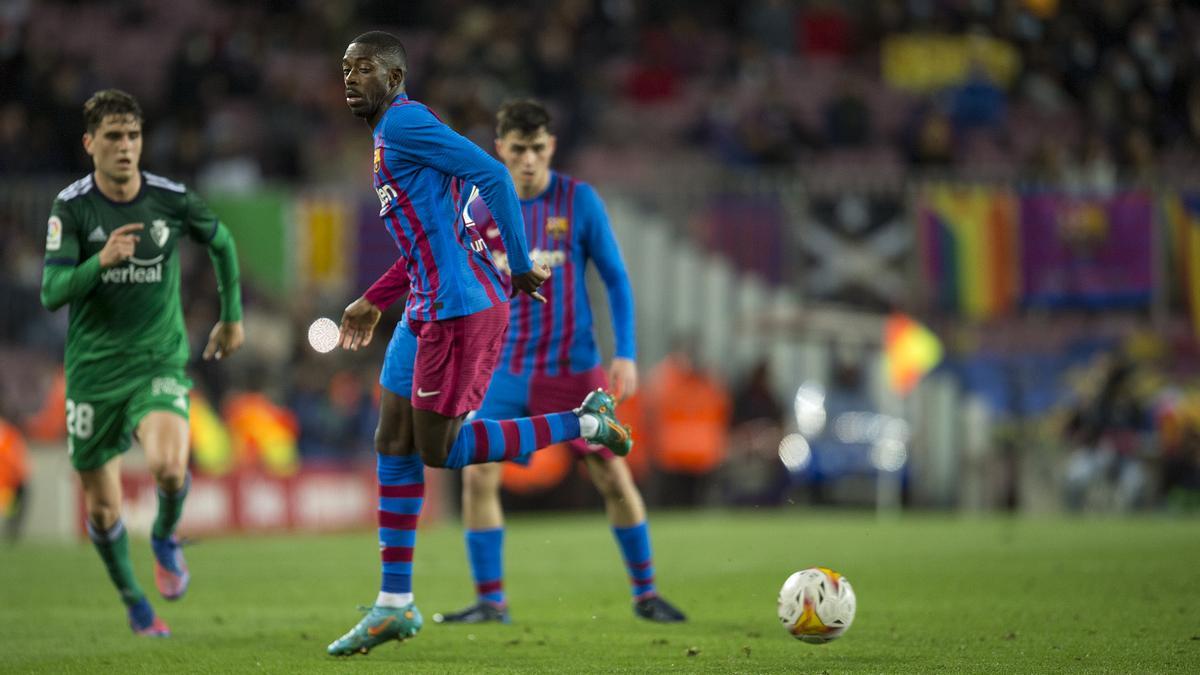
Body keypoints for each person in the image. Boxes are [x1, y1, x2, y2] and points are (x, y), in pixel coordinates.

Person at [329, 32, 633, 656]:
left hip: (461, 312)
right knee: (392, 437)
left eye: (363, 69)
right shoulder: (393, 135)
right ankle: (394, 604)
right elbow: (428, 236)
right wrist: (374, 297)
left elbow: (493, 173)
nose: (350, 78)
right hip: (422, 306)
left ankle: (586, 422)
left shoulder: (408, 123)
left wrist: (520, 262)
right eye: (345, 69)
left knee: (441, 451)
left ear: (393, 74)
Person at [431, 99, 685, 626]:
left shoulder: (578, 201)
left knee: (610, 473)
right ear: (499, 148)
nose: (528, 160)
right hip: (501, 371)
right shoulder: (476, 206)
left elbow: (615, 277)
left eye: (538, 148)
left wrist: (627, 354)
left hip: (573, 370)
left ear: (552, 147)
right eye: (518, 149)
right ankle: (490, 602)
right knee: (478, 477)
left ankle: (646, 593)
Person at [39, 89, 244, 636]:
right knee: (103, 512)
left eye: (132, 136)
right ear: (90, 144)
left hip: (158, 360)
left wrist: (231, 316)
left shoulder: (169, 198)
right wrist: (99, 262)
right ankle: (135, 602)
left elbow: (221, 241)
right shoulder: (73, 207)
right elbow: (52, 291)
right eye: (112, 137)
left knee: (170, 467)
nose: (125, 147)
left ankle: (164, 536)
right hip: (93, 374)